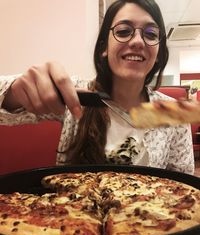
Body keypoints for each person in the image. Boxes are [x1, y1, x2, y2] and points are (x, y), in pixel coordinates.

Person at [0, 0, 194, 174]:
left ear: (159, 53)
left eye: (151, 34)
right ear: (104, 47)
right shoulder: (75, 95)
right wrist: (14, 93)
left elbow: (183, 188)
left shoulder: (174, 112)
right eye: (123, 31)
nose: (137, 41)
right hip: (69, 212)